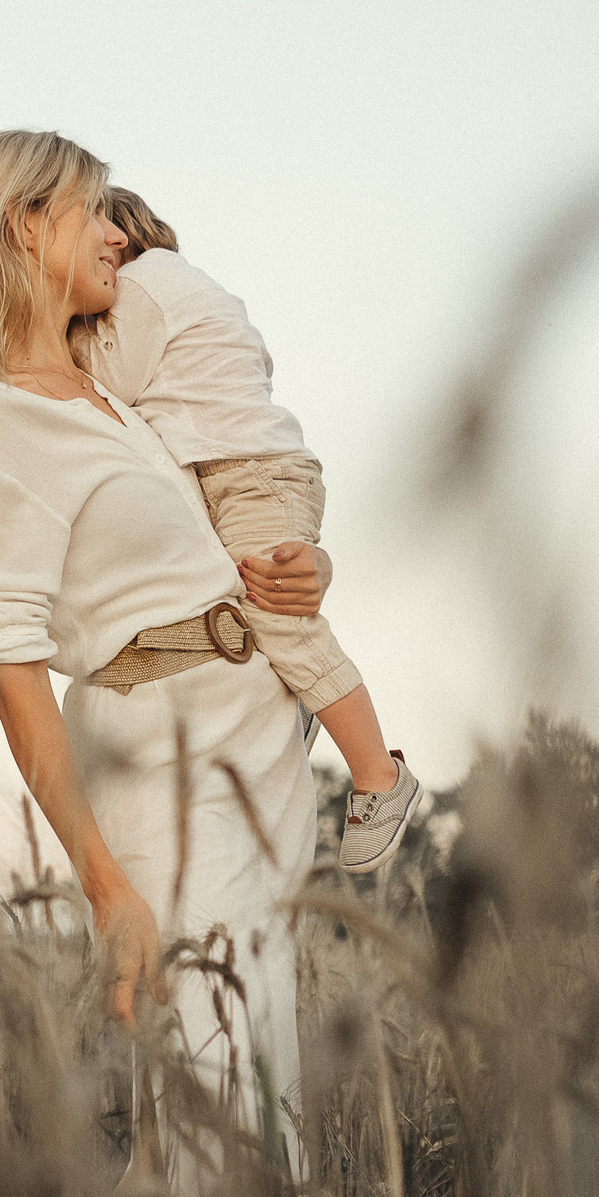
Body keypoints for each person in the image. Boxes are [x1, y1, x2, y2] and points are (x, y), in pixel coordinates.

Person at [0, 129, 330, 1152]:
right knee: (207, 1076)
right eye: (95, 211)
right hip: (160, 762)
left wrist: (295, 575)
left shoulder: (116, 391)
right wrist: (106, 887)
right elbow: (9, 665)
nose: (121, 235)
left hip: (256, 753)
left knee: (261, 1073)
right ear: (24, 224)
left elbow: (205, 542)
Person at [91, 187, 421, 873]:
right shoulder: (194, 291)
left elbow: (110, 380)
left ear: (116, 240)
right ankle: (300, 704)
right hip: (259, 469)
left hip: (249, 475)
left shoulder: (145, 286)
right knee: (256, 611)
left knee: (282, 620)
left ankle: (379, 778)